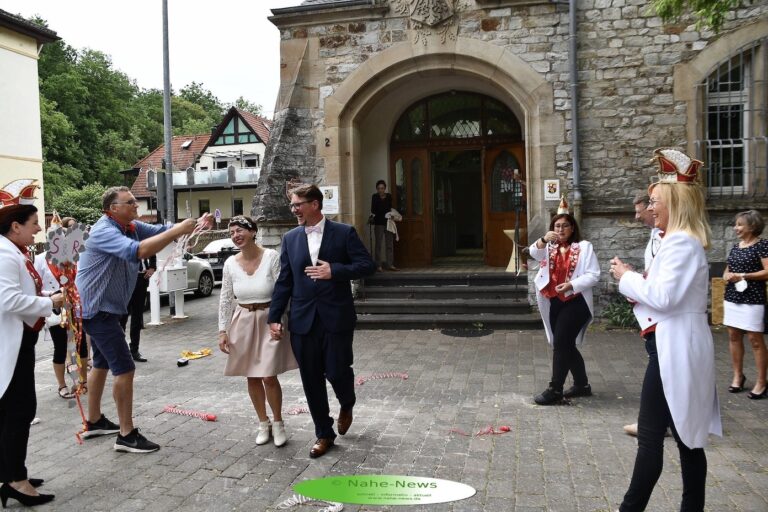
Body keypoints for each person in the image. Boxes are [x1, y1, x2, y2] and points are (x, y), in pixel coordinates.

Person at [610, 148, 722, 511]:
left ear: (673, 201)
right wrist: (637, 289)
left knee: (655, 438)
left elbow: (664, 297)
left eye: (655, 201)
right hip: (674, 345)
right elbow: (665, 296)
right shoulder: (679, 242)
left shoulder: (680, 243)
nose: (649, 207)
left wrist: (626, 278)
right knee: (686, 441)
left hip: (674, 349)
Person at [76, 186, 212, 453]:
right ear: (112, 208)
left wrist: (190, 226)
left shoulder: (130, 225)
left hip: (108, 309)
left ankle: (94, 421)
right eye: (130, 203)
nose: (136, 207)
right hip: (98, 309)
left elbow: (162, 230)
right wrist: (178, 230)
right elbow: (137, 252)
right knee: (125, 368)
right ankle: (126, 435)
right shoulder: (104, 230)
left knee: (101, 364)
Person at [268, 184, 376, 458]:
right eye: (292, 205)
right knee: (311, 379)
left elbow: (367, 266)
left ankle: (347, 402)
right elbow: (285, 281)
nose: (294, 210)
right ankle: (323, 433)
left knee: (337, 370)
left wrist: (335, 271)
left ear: (315, 204)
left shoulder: (344, 232)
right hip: (303, 320)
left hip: (336, 316)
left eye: (297, 205)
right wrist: (274, 317)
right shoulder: (290, 239)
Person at [0, 203, 63, 507]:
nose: (39, 228)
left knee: (13, 411)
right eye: (35, 223)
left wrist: (47, 301)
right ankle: (15, 481)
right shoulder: (4, 255)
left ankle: (11, 471)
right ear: (16, 226)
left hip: (21, 341)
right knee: (20, 411)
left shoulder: (14, 252)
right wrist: (50, 302)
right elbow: (9, 300)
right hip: (12, 343)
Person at [218, 216, 298, 447]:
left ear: (253, 232)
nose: (236, 235)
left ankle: (279, 422)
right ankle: (263, 423)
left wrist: (280, 320)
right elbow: (225, 299)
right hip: (242, 320)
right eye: (232, 232)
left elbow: (284, 290)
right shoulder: (230, 263)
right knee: (251, 375)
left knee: (268, 375)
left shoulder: (271, 256)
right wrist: (222, 330)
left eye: (240, 230)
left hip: (269, 319)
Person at [529, 197, 600, 405]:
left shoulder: (584, 247)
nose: (560, 229)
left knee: (560, 342)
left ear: (572, 228)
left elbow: (594, 275)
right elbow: (533, 253)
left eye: (564, 226)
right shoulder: (548, 247)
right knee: (565, 343)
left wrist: (572, 285)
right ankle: (581, 385)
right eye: (556, 226)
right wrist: (543, 238)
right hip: (554, 301)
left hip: (577, 302)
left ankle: (555, 389)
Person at [34, 217, 89, 399]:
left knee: (80, 347)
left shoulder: (73, 257)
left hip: (75, 306)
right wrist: (50, 296)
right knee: (60, 347)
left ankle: (82, 381)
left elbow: (81, 279)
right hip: (56, 308)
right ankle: (62, 385)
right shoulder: (41, 259)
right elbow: (36, 287)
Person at [623, 193, 663, 437]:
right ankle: (660, 419)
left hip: (662, 318)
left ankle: (653, 422)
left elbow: (662, 291)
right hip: (653, 313)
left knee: (658, 369)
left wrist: (627, 277)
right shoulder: (655, 235)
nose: (637, 216)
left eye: (641, 210)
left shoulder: (675, 241)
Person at [722, 210, 768, 399]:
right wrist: (726, 275)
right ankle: (738, 376)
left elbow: (767, 271)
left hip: (753, 298)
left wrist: (744, 276)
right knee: (733, 336)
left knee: (755, 340)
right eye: (736, 224)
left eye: (740, 225)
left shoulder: (763, 246)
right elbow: (728, 269)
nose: (736, 228)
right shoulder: (735, 247)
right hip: (732, 296)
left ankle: (762, 381)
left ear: (753, 226)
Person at [119, 255, 156, 363]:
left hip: (141, 279)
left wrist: (152, 267)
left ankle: (134, 350)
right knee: (122, 317)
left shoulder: (142, 238)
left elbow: (152, 252)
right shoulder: (123, 238)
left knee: (137, 316)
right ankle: (121, 351)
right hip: (125, 280)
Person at [370, 180, 398, 271]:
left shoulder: (389, 196)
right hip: (378, 223)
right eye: (379, 189)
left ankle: (390, 264)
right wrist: (383, 209)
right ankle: (378, 265)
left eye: (382, 188)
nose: (381, 190)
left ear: (385, 188)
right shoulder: (374, 197)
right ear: (377, 189)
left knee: (389, 243)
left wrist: (382, 209)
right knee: (378, 244)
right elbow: (373, 210)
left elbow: (389, 208)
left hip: (388, 222)